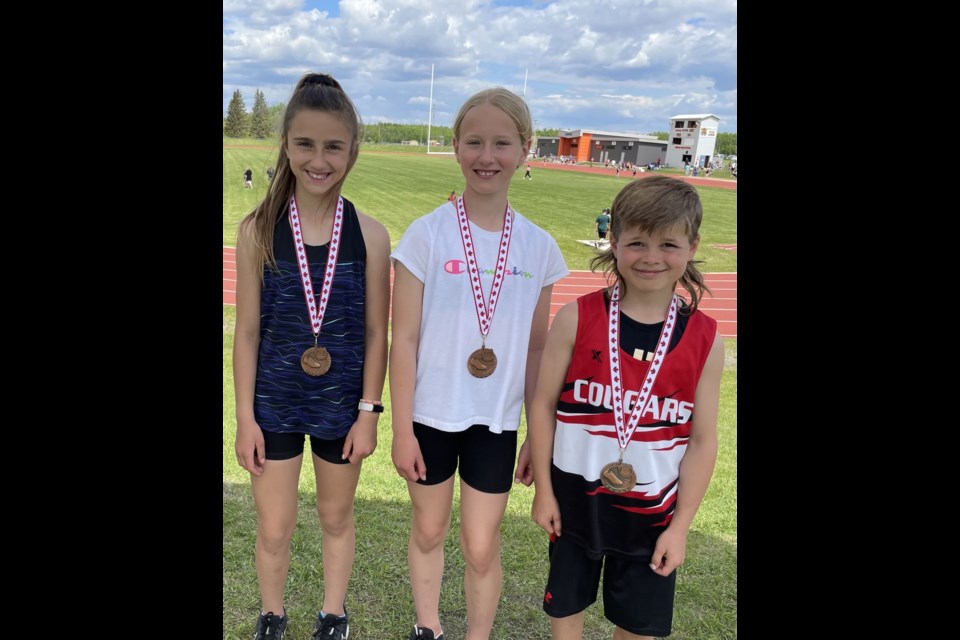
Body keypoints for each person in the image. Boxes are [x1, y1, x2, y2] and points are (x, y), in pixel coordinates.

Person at [390, 87, 569, 640]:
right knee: (428, 528)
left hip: (495, 421)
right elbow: (405, 340)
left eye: (501, 143)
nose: (486, 155)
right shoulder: (428, 233)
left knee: (482, 543)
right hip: (429, 416)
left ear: (524, 149)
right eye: (473, 142)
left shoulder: (539, 249)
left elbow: (538, 350)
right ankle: (428, 626)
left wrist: (538, 439)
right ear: (456, 147)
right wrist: (401, 430)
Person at [528, 175, 724, 640]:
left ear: (692, 246)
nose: (651, 257)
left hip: (653, 515)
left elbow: (702, 441)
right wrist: (544, 492)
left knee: (638, 626)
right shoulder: (577, 317)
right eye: (636, 242)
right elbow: (542, 404)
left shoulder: (705, 339)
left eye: (668, 244)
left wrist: (680, 529)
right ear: (613, 241)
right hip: (576, 502)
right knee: (567, 612)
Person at [233, 72, 391, 640]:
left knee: (335, 517)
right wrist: (245, 419)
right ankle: (272, 616)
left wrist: (369, 413)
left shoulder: (370, 236)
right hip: (272, 404)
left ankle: (333, 615)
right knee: (274, 527)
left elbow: (377, 334)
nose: (318, 159)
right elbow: (247, 332)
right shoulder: (257, 231)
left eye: (332, 146)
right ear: (286, 146)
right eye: (305, 144)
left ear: (352, 151)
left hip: (341, 407)